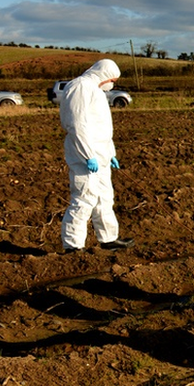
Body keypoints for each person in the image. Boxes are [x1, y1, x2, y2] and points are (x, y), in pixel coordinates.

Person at [60, 59, 135, 253]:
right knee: (84, 198)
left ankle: (109, 238)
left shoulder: (96, 90)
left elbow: (101, 127)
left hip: (100, 155)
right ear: (103, 75)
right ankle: (73, 245)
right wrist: (88, 155)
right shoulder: (80, 87)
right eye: (111, 79)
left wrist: (110, 154)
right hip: (85, 156)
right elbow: (77, 124)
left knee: (104, 197)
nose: (112, 84)